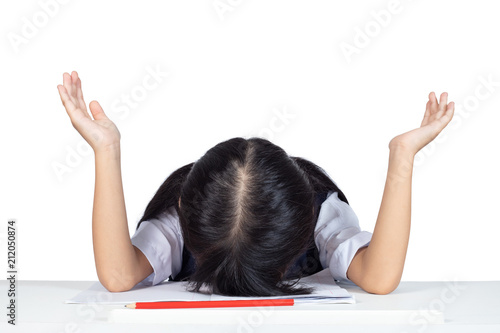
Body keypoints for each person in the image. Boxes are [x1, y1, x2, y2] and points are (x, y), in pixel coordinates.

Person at [57, 71, 455, 296]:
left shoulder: (320, 211)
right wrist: (105, 150)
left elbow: (380, 277)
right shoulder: (182, 219)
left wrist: (403, 156)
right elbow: (118, 274)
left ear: (306, 220)